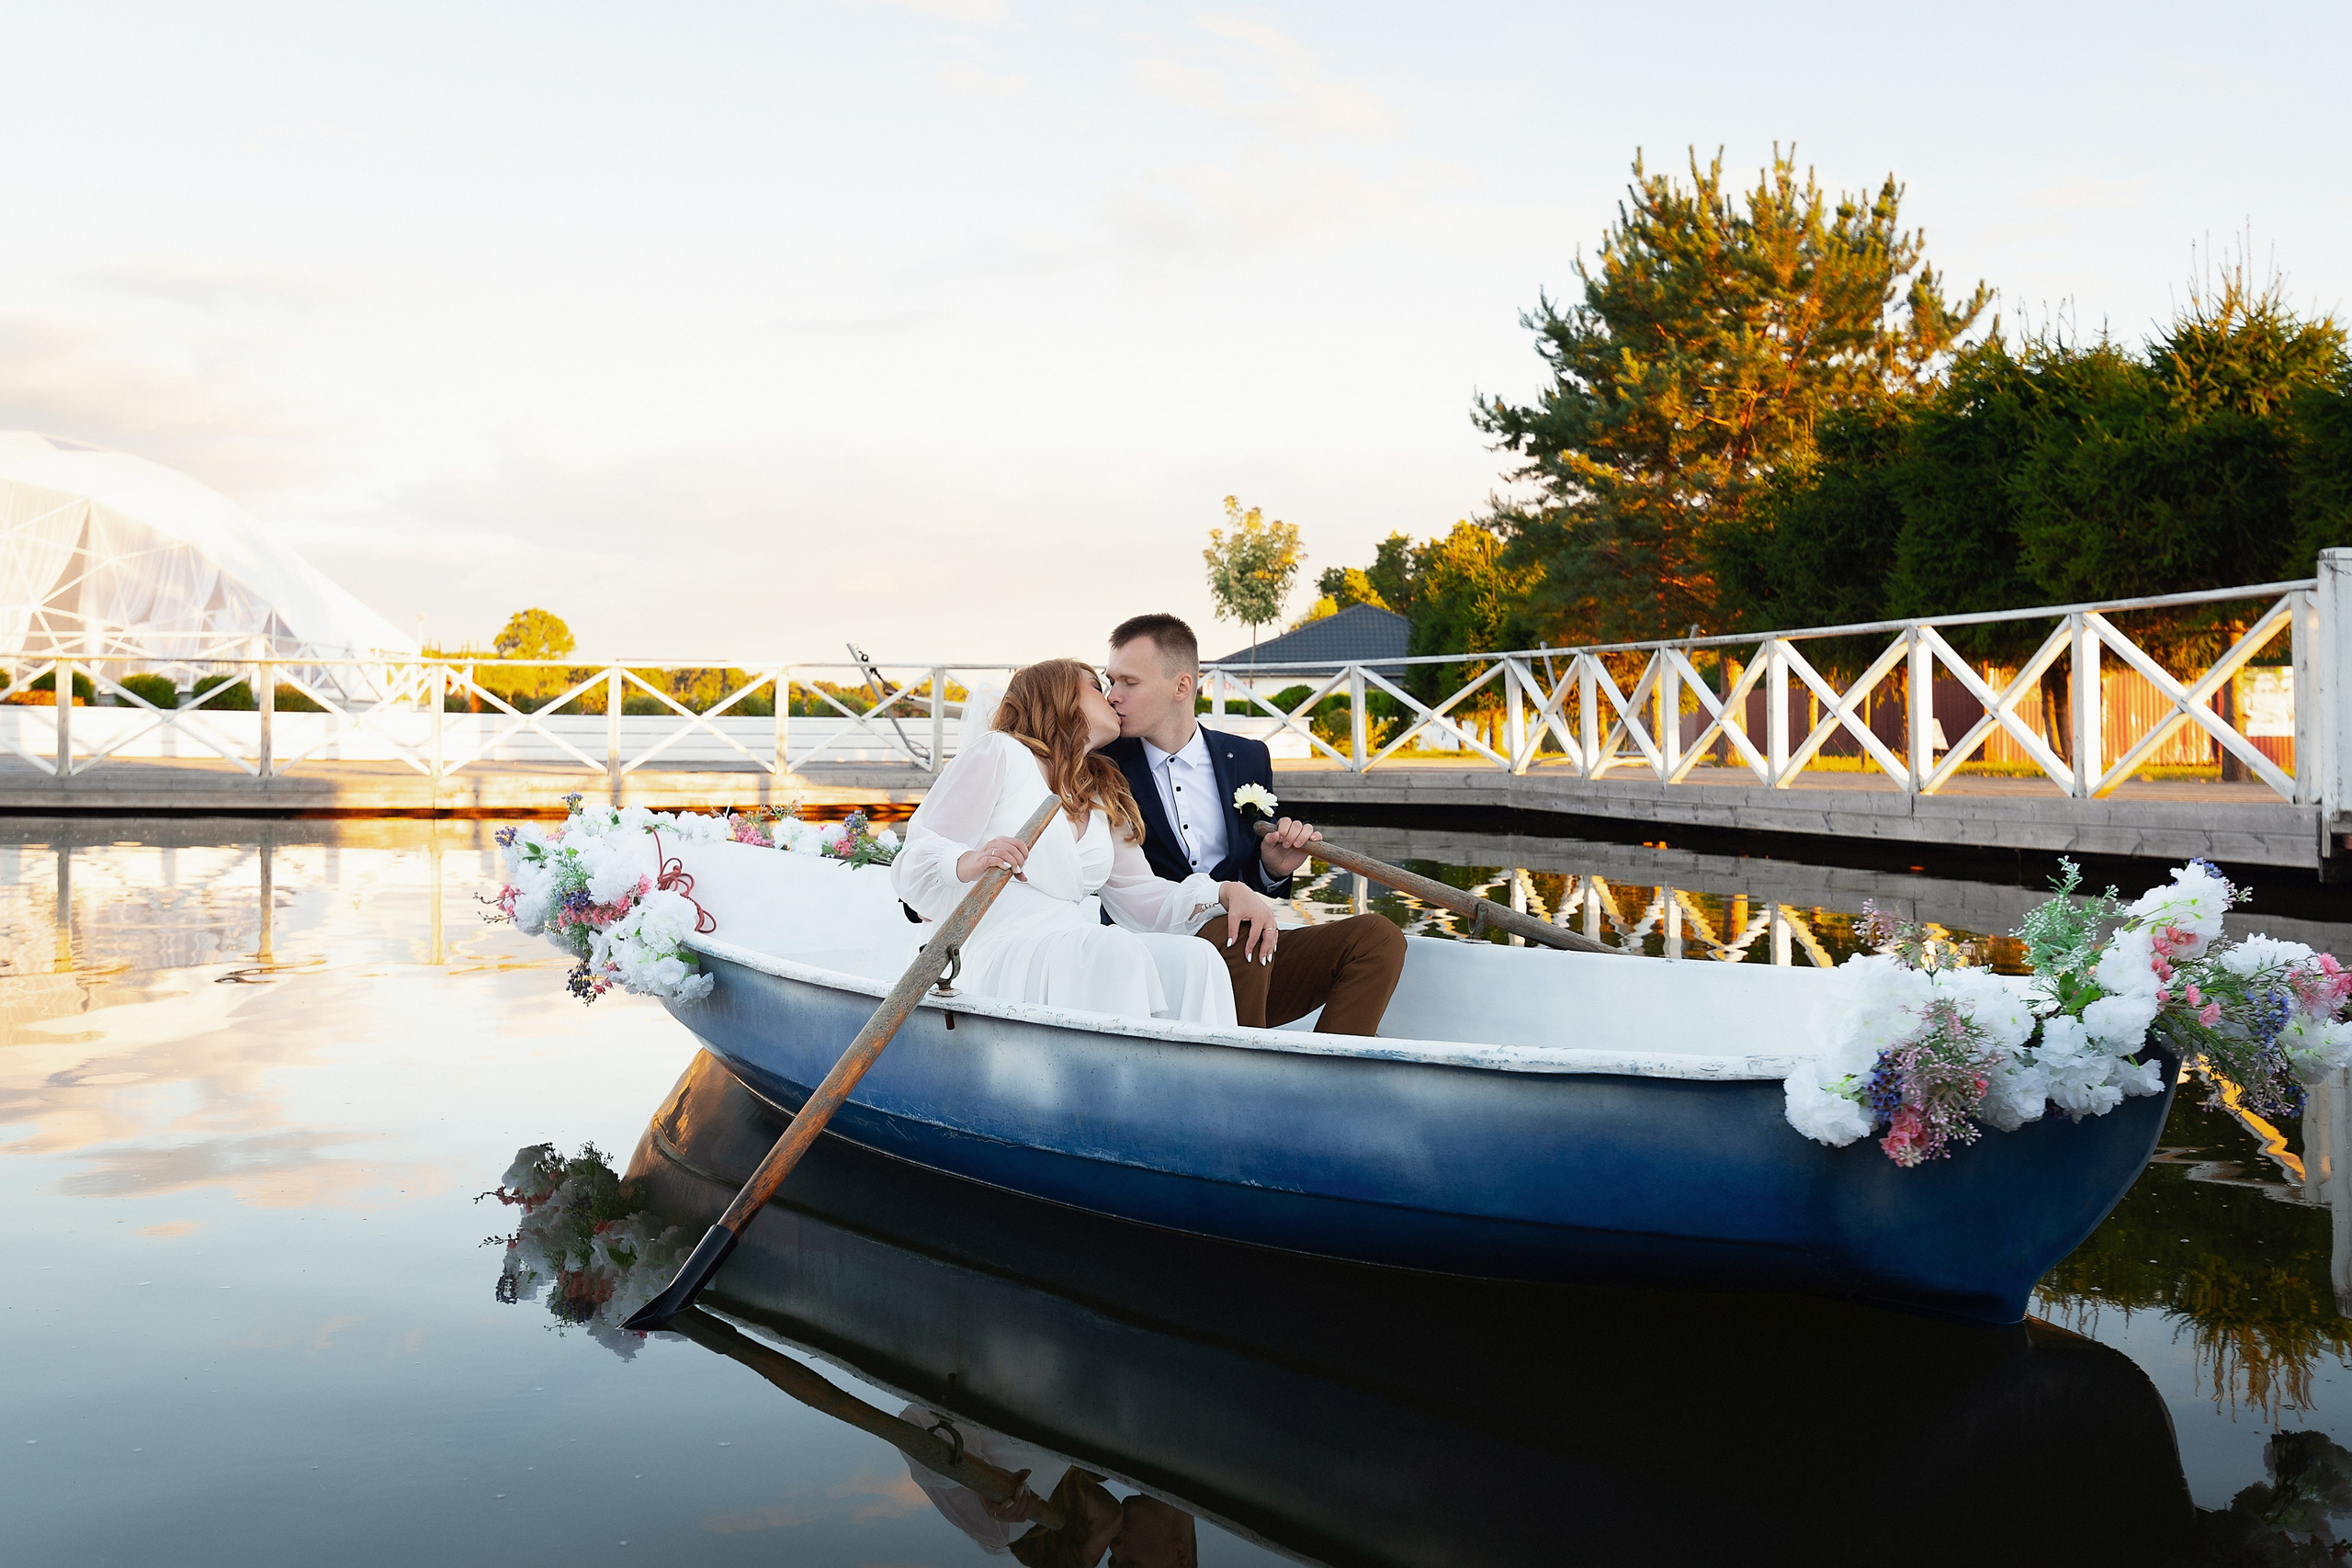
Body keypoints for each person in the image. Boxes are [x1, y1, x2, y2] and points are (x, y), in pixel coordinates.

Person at [1099, 614, 1406, 1035]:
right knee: (1240, 933)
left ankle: (1330, 1083)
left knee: (1378, 938)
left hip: (1243, 957)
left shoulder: (1247, 757)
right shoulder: (1102, 766)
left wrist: (1271, 869)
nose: (1112, 696)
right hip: (1155, 963)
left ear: (1182, 686)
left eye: (1128, 683)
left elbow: (1249, 884)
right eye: (1110, 680)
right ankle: (1251, 1085)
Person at [891, 658, 1242, 1025]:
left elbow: (1142, 901)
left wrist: (1222, 893)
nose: (1111, 696)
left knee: (1196, 961)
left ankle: (1194, 1079)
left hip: (1070, 944)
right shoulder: (1000, 752)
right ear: (1059, 697)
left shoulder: (1100, 793)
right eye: (1095, 685)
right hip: (991, 948)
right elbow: (913, 861)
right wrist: (968, 861)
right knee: (1110, 949)